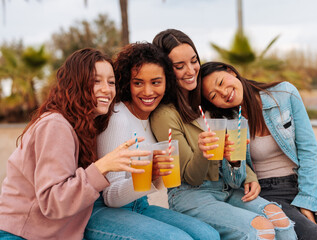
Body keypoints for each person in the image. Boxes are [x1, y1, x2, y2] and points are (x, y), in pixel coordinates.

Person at [151, 28, 297, 240]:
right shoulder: (165, 114)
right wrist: (205, 151)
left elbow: (233, 156)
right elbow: (191, 177)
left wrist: (247, 173)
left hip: (228, 188)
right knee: (260, 229)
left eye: (193, 61)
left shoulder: (208, 98)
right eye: (179, 66)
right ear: (166, 70)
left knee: (280, 221)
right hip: (191, 196)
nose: (191, 70)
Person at [0, 48, 152, 240]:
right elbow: (53, 201)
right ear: (76, 83)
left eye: (111, 82)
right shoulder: (56, 125)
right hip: (21, 234)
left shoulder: (82, 125)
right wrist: (102, 166)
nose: (107, 89)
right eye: (96, 81)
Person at [199, 61, 317, 240]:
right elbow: (234, 182)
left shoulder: (284, 93)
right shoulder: (224, 123)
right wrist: (233, 161)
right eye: (213, 96)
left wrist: (307, 200)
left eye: (221, 83)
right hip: (267, 192)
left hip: (303, 181)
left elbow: (308, 150)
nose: (223, 93)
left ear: (231, 72)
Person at [85, 42, 220, 240]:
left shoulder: (154, 117)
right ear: (126, 83)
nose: (148, 92)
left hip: (140, 205)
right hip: (103, 211)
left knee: (208, 235)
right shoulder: (117, 118)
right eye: (138, 83)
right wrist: (151, 177)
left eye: (156, 82)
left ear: (167, 83)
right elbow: (110, 197)